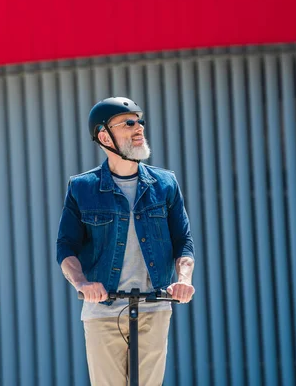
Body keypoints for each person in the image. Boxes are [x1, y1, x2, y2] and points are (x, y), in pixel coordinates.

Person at [56, 97, 196, 386]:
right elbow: (66, 247)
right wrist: (82, 284)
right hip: (102, 309)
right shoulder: (83, 188)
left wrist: (183, 279)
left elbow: (183, 241)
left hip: (154, 305)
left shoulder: (165, 184)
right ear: (104, 136)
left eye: (140, 121)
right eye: (128, 122)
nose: (139, 128)